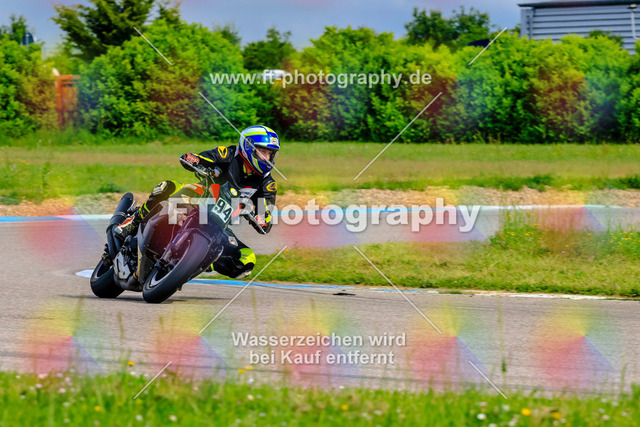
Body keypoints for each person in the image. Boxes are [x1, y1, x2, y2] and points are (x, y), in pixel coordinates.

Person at [114, 125, 280, 279]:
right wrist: (194, 159)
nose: (266, 158)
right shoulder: (228, 154)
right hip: (197, 199)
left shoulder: (267, 184)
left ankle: (197, 261)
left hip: (220, 226)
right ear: (248, 147)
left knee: (246, 259)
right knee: (168, 186)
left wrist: (261, 219)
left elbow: (266, 213)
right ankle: (134, 221)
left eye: (270, 154)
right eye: (262, 152)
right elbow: (204, 158)